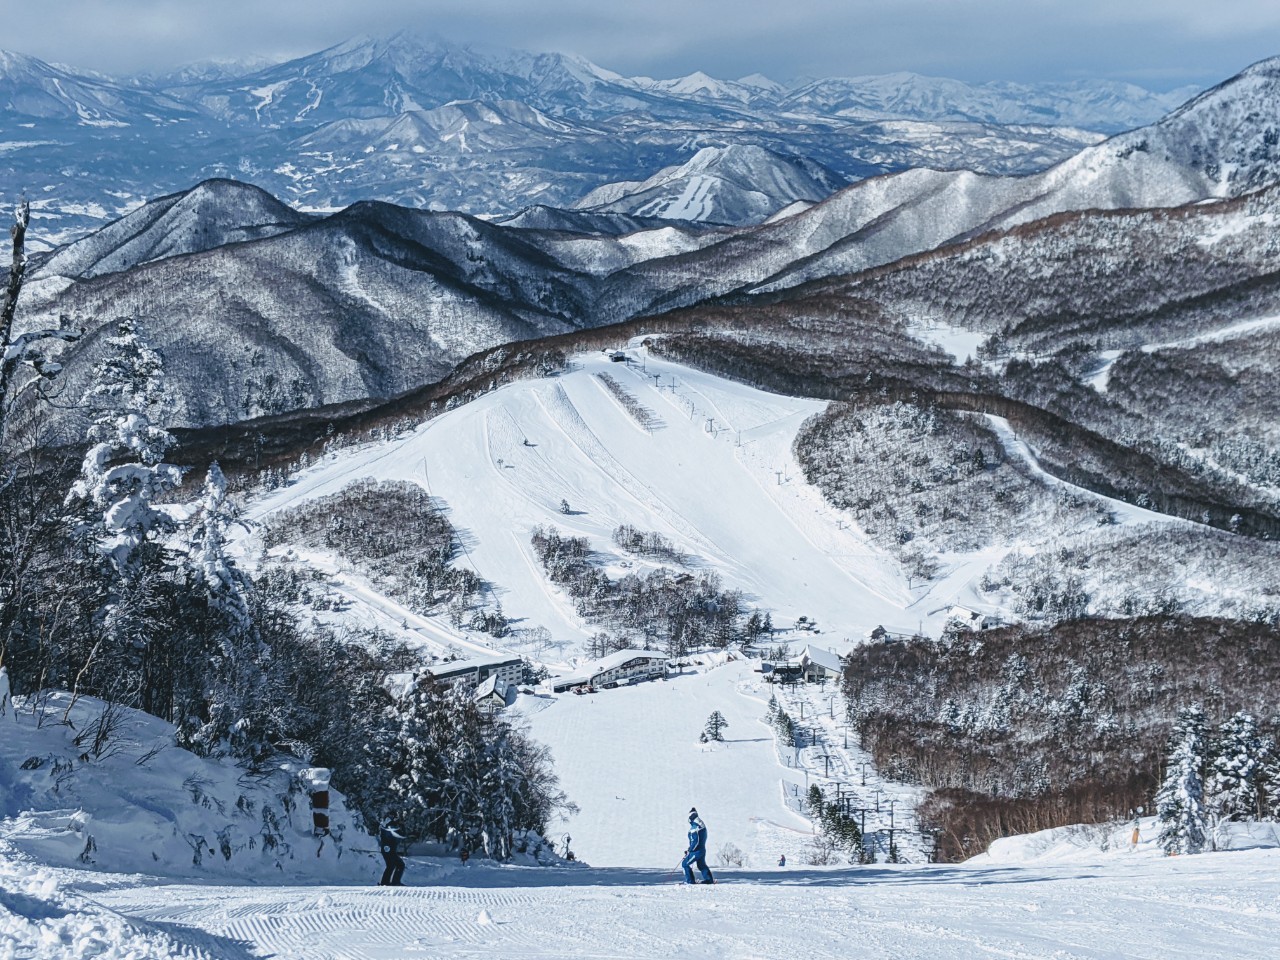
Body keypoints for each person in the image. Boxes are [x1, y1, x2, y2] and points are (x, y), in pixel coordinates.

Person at [681, 808, 715, 884]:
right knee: (701, 865)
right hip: (702, 850)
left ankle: (690, 881)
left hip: (696, 851)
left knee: (685, 864)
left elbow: (695, 841)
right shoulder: (701, 825)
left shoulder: (694, 828)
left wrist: (690, 850)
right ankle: (709, 880)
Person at [379, 822, 406, 886]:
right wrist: (402, 826)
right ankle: (391, 882)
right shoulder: (390, 826)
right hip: (388, 849)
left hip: (388, 849)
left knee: (393, 865)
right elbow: (401, 835)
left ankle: (387, 882)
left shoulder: (387, 825)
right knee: (396, 865)